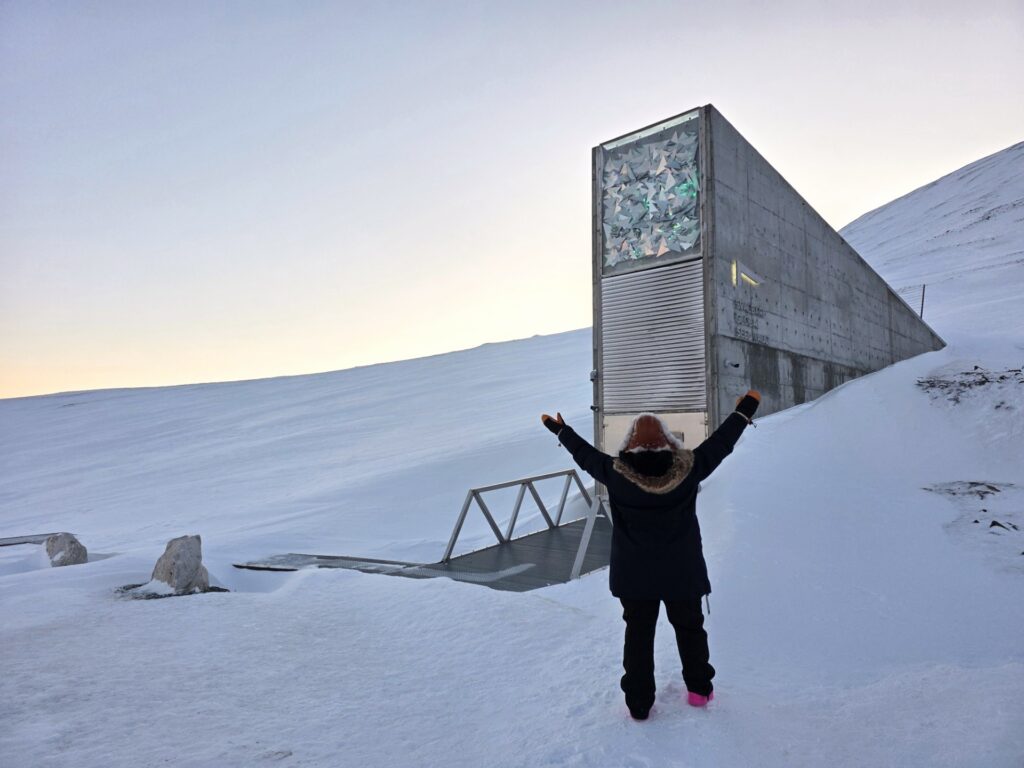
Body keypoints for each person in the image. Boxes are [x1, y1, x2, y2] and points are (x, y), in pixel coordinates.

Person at [541, 391, 761, 721]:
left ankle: (639, 704)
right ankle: (699, 691)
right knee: (690, 630)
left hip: (634, 575)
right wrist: (743, 412)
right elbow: (722, 443)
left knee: (638, 635)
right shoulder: (690, 468)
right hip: (682, 572)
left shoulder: (613, 471)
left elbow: (583, 454)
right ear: (667, 441)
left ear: (630, 442)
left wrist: (561, 431)